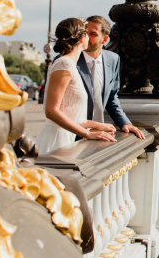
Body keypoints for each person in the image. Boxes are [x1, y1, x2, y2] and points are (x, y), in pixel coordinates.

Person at [36, 18, 117, 155]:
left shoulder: (70, 65)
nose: (89, 39)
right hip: (56, 140)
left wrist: (98, 125)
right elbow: (51, 111)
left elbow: (71, 116)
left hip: (66, 138)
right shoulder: (64, 64)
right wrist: (88, 134)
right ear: (81, 39)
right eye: (87, 34)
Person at [78, 15, 144, 139]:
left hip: (100, 136)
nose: (86, 37)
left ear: (104, 39)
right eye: (85, 33)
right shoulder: (70, 61)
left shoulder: (113, 59)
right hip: (73, 136)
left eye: (93, 34)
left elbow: (112, 98)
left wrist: (125, 122)